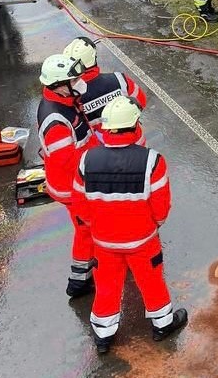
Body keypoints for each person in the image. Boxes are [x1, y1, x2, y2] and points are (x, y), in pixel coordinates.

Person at [72, 96, 187, 354]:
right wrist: (152, 227)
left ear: (107, 128)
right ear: (135, 125)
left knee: (107, 286)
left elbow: (80, 205)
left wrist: (96, 227)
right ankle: (162, 324)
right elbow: (161, 207)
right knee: (152, 281)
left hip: (103, 241)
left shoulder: (86, 160)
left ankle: (103, 335)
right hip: (143, 240)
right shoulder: (152, 161)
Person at [37, 54, 99, 298]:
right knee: (84, 231)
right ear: (59, 86)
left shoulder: (64, 102)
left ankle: (83, 276)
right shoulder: (56, 121)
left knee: (85, 229)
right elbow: (69, 163)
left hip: (74, 183)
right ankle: (79, 282)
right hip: (72, 188)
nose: (79, 82)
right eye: (74, 80)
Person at [63, 36, 147, 143]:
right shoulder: (120, 79)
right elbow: (141, 101)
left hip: (101, 148)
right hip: (135, 142)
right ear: (93, 58)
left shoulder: (69, 97)